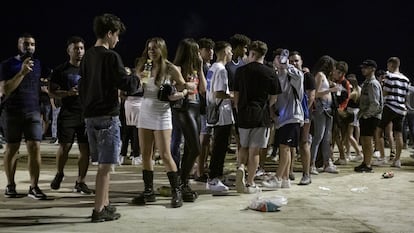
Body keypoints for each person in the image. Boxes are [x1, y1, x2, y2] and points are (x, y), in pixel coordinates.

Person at [79, 13, 139, 222]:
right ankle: (98, 211)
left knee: (105, 164)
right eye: (117, 35)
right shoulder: (111, 57)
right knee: (105, 167)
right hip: (107, 115)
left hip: (90, 116)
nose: (118, 40)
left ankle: (105, 203)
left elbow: (83, 86)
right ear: (109, 33)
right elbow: (127, 84)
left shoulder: (87, 56)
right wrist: (135, 76)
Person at [131, 37, 189, 208]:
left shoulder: (170, 68)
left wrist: (178, 95)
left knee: (165, 154)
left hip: (162, 113)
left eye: (155, 48)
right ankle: (148, 192)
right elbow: (139, 86)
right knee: (146, 154)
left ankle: (176, 191)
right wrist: (137, 78)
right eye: (149, 48)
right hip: (145, 112)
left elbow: (184, 87)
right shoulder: (146, 66)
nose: (151, 51)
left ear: (162, 49)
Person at [0, 33, 47, 199]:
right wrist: (21, 73)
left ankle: (34, 187)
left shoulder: (38, 64)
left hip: (33, 112)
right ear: (19, 45)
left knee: (35, 147)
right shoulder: (7, 64)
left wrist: (41, 112)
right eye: (26, 44)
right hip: (12, 112)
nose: (29, 47)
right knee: (12, 149)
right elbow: (5, 89)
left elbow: (36, 89)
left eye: (32, 44)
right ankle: (10, 185)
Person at [233, 40, 279, 193]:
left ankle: (240, 167)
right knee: (255, 152)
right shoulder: (270, 72)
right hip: (261, 115)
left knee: (243, 147)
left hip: (244, 115)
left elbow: (236, 96)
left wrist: (239, 109)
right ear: (264, 55)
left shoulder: (240, 71)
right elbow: (274, 98)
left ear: (252, 53)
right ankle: (250, 182)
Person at [48, 36, 92, 195]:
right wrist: (67, 93)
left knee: (85, 149)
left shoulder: (89, 69)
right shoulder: (61, 70)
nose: (79, 51)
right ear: (69, 51)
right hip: (68, 113)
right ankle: (59, 173)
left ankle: (81, 181)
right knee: (64, 147)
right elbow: (52, 92)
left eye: (81, 48)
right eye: (76, 48)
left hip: (86, 114)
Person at [262, 48, 304, 189]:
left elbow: (298, 75)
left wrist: (287, 65)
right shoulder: (277, 75)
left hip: (292, 117)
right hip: (281, 119)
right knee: (283, 149)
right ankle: (285, 179)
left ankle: (278, 178)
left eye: (295, 61)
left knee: (285, 148)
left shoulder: (295, 75)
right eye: (278, 59)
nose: (282, 62)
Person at [172, 38, 206, 202]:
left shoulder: (196, 69)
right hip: (184, 108)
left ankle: (183, 183)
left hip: (196, 106)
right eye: (197, 51)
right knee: (196, 148)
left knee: (190, 148)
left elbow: (203, 89)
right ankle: (180, 182)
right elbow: (175, 87)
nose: (199, 54)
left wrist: (200, 69)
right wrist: (186, 85)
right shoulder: (177, 68)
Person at [205, 41, 234, 195]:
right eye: (230, 51)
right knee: (220, 147)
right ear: (223, 52)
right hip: (222, 113)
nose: (231, 54)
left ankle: (216, 176)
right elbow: (219, 92)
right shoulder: (221, 70)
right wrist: (233, 96)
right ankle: (214, 177)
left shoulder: (212, 68)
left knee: (217, 146)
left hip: (213, 110)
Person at [374, 57, 410, 168]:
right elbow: (406, 96)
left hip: (390, 107)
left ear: (391, 65)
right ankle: (397, 160)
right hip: (401, 109)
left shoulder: (389, 75)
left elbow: (384, 93)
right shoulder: (406, 79)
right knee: (398, 134)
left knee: (378, 130)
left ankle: (382, 158)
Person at [288, 51, 316, 185]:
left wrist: (303, 112)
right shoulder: (287, 75)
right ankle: (289, 171)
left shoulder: (307, 76)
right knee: (290, 144)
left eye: (296, 60)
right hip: (290, 114)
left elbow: (311, 96)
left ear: (301, 62)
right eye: (291, 61)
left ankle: (306, 174)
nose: (294, 63)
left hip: (304, 115)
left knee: (304, 143)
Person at [309, 55, 339, 174]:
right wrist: (330, 91)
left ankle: (327, 163)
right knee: (318, 137)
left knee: (326, 138)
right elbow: (315, 94)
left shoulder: (325, 77)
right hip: (321, 108)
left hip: (327, 109)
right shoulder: (320, 75)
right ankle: (311, 164)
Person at [354, 59, 383, 172]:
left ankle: (368, 165)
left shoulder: (372, 83)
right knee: (364, 140)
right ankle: (365, 162)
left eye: (366, 67)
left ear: (372, 69)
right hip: (367, 115)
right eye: (363, 67)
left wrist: (366, 115)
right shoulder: (367, 82)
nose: (363, 69)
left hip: (371, 116)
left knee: (367, 141)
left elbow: (375, 103)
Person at [196, 37, 215, 182]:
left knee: (206, 141)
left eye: (212, 49)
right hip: (202, 109)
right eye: (207, 49)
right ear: (199, 51)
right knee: (203, 141)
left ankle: (201, 167)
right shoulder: (200, 67)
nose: (211, 52)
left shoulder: (208, 66)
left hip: (207, 109)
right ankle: (199, 170)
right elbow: (203, 90)